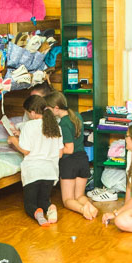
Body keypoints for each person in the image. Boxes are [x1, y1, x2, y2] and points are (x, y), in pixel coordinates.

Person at [7, 94, 62, 225]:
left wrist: (14, 140)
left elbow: (26, 150)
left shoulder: (28, 126)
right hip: (50, 172)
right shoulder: (55, 127)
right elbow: (59, 153)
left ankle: (38, 216)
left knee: (30, 204)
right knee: (43, 201)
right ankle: (50, 208)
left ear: (32, 112)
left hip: (33, 171)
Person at [45, 90, 98, 220]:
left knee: (68, 200)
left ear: (56, 108)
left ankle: (83, 209)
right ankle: (90, 207)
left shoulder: (63, 123)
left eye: (49, 109)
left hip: (70, 162)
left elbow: (69, 148)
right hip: (82, 160)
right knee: (79, 196)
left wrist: (54, 152)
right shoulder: (77, 115)